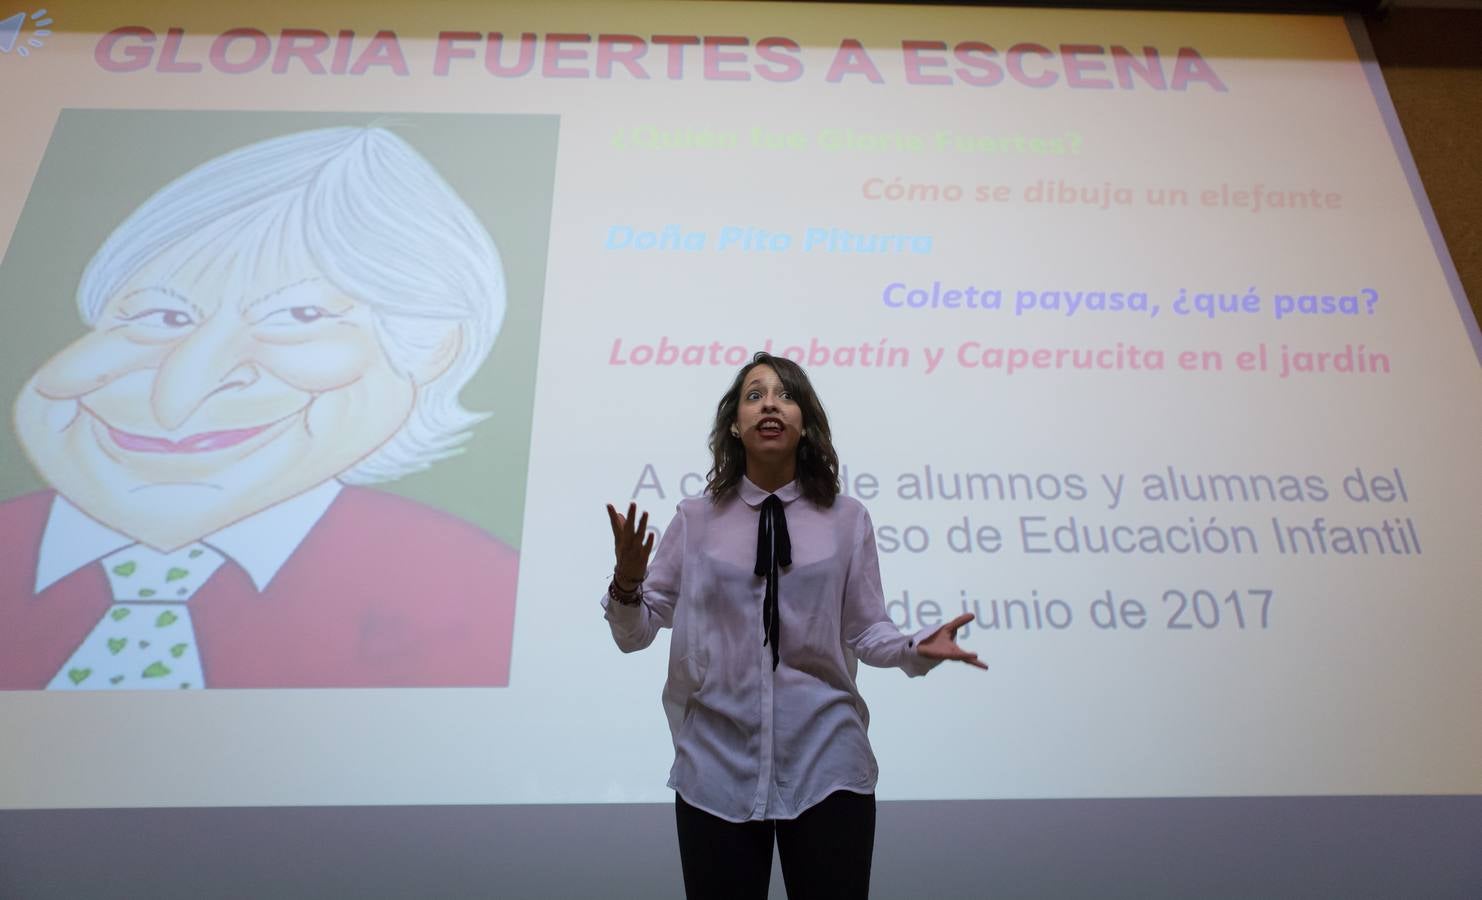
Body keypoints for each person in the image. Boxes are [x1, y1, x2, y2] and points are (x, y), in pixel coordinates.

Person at [0, 125, 518, 690]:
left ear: (431, 347)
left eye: (298, 318)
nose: (182, 391)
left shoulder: (476, 590)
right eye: (160, 317)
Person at [603, 352, 985, 899]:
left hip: (828, 762)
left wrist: (915, 647)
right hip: (714, 765)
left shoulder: (846, 518)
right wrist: (627, 581)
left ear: (805, 421)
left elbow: (866, 630)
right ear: (735, 424)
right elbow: (634, 633)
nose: (770, 405)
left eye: (785, 395)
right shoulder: (696, 519)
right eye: (754, 396)